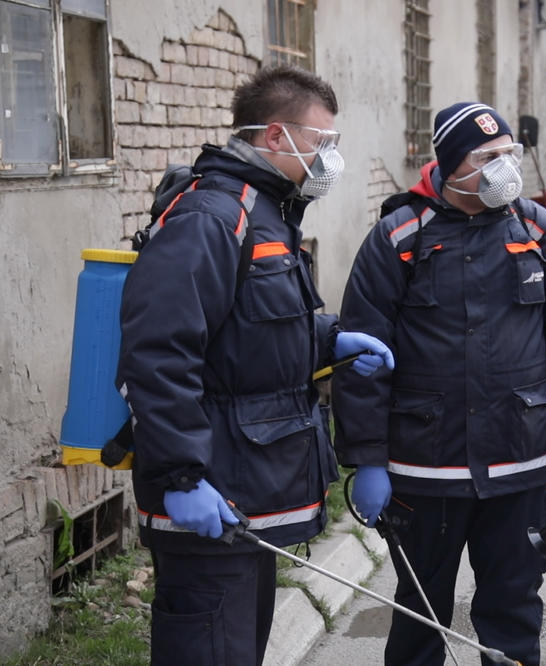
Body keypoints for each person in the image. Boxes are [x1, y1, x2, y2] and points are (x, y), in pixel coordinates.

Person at [117, 65, 394, 666]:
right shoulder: (212, 217)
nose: (329, 158)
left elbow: (249, 328)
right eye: (322, 142)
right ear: (275, 135)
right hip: (212, 495)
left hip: (247, 497)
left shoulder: (266, 211)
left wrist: (329, 341)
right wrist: (181, 478)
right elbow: (158, 353)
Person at [333, 101, 546, 665]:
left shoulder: (535, 228)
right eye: (488, 157)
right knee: (421, 610)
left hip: (518, 462)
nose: (504, 167)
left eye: (509, 153)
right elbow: (363, 356)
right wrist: (367, 458)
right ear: (453, 164)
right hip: (426, 467)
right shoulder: (398, 236)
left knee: (513, 607)